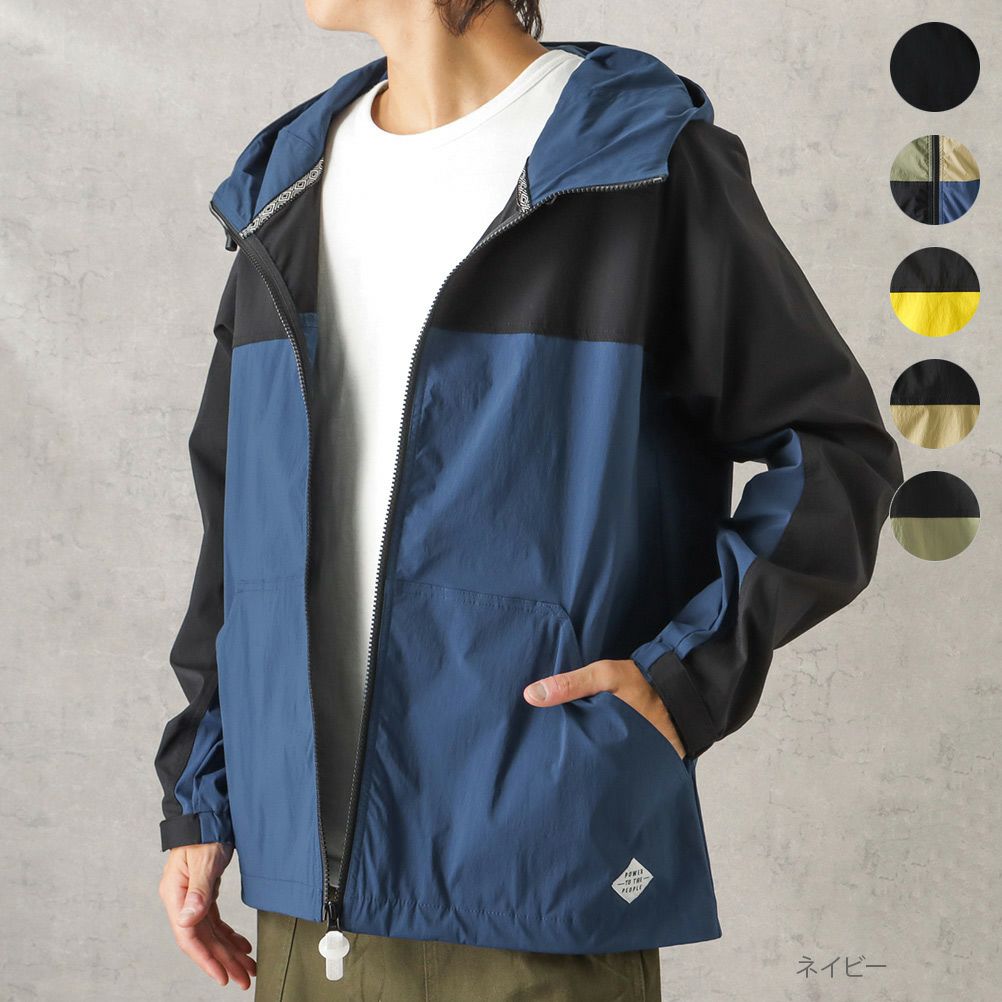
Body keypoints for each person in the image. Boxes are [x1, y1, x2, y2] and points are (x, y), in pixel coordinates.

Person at [155, 2, 904, 999]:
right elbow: (239, 529)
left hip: (534, 875)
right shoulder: (283, 190)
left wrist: (687, 678)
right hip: (301, 897)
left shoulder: (636, 164)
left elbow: (834, 452)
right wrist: (204, 792)